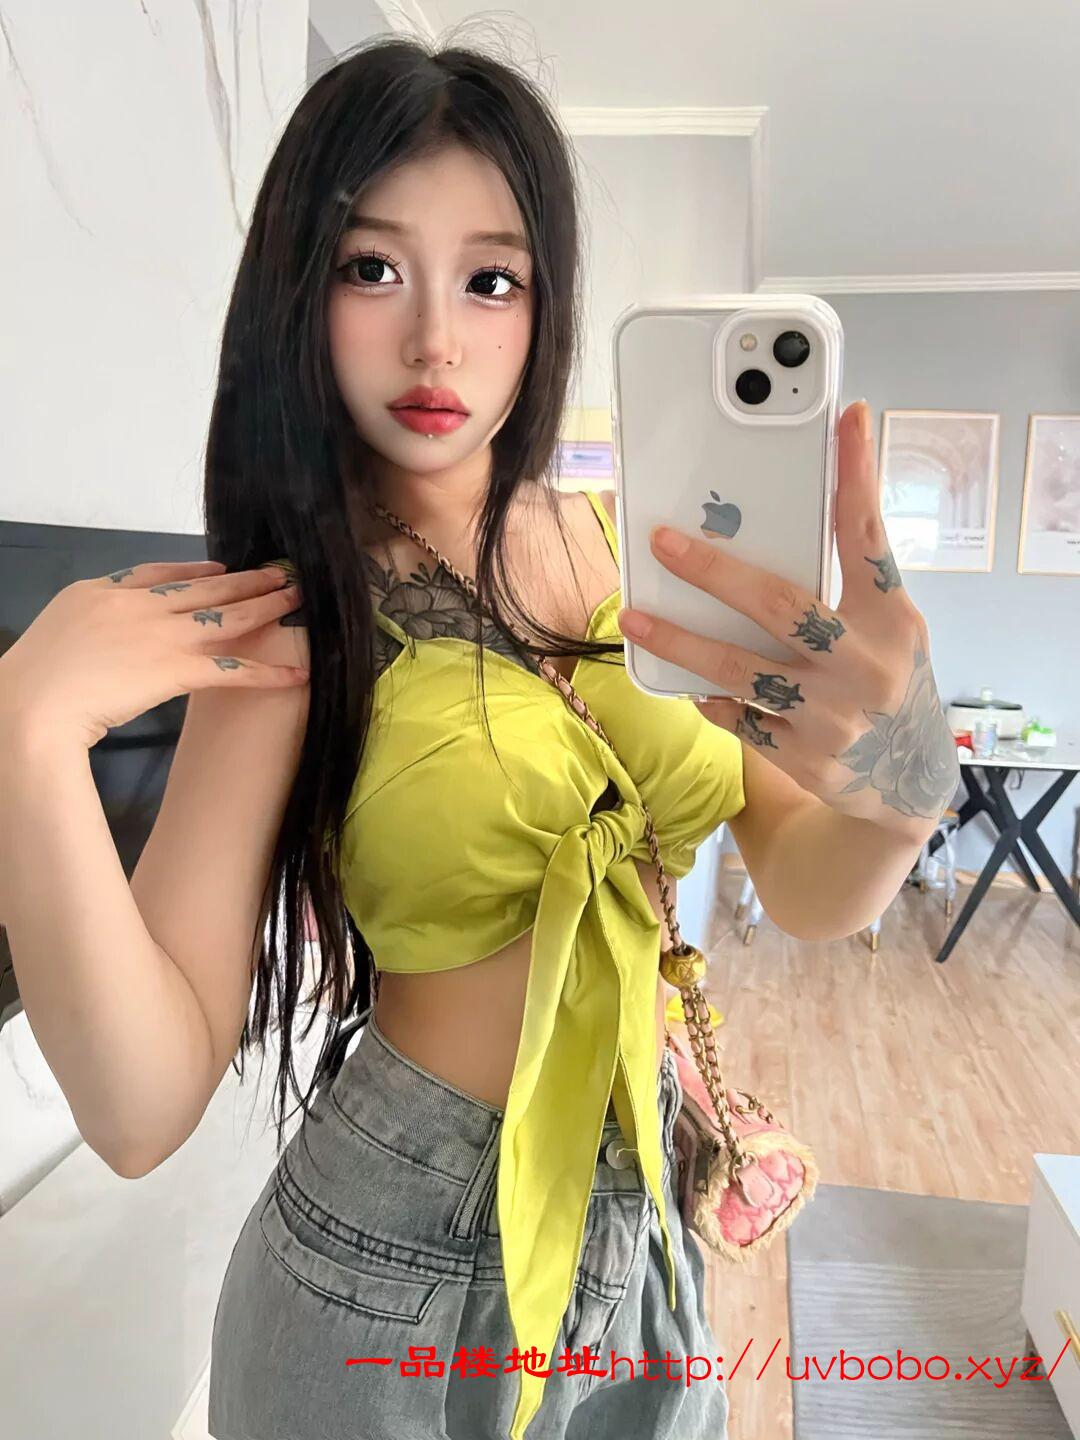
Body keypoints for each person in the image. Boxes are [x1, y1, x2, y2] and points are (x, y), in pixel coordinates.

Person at [0, 31, 960, 1440]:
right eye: (371, 268)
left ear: (544, 303)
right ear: (298, 294)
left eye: (491, 279)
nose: (436, 340)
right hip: (396, 1268)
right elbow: (141, 1112)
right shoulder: (299, 615)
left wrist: (904, 782)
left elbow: (810, 887)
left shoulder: (636, 555)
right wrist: (25, 736)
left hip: (643, 1237)